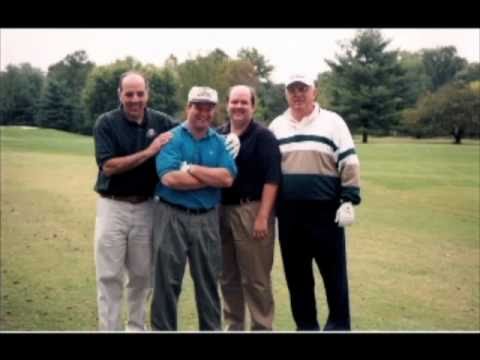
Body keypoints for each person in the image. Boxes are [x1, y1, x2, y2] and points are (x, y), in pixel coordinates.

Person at [268, 73, 361, 331]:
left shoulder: (333, 122)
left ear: (314, 92)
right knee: (297, 279)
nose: (298, 94)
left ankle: (339, 326)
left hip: (326, 211)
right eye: (292, 89)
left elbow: (349, 161)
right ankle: (306, 327)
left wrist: (348, 199)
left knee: (334, 276)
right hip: (289, 214)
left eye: (303, 88)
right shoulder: (277, 125)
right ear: (286, 93)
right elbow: (269, 168)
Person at [93, 71, 177, 331]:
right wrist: (149, 152)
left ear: (147, 94)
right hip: (112, 206)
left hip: (146, 207)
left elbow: (190, 131)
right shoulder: (106, 122)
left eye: (140, 93)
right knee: (109, 276)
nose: (135, 99)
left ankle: (136, 328)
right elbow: (108, 166)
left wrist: (227, 134)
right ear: (120, 94)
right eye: (129, 94)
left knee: (142, 276)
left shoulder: (161, 121)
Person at [150, 86, 238, 331]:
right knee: (167, 283)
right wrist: (210, 178)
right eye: (198, 106)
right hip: (171, 216)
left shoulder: (219, 142)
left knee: (208, 283)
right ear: (188, 107)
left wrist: (191, 169)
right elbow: (170, 179)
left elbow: (227, 179)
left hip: (207, 219)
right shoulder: (172, 138)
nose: (203, 112)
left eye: (209, 107)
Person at [217, 85, 282, 331]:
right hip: (221, 211)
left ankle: (262, 327)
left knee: (256, 278)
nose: (239, 106)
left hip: (252, 210)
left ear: (253, 106)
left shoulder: (263, 136)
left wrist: (263, 216)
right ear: (227, 104)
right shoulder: (219, 134)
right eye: (234, 101)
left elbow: (272, 178)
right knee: (228, 277)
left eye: (244, 102)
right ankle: (233, 326)